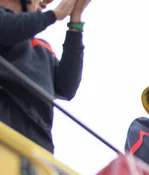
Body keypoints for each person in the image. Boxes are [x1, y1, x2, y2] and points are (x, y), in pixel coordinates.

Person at [0, 0, 90, 153]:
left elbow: (66, 87)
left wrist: (75, 23)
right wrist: (55, 15)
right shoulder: (6, 27)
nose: (46, 3)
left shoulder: (42, 48)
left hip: (38, 143)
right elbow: (7, 28)